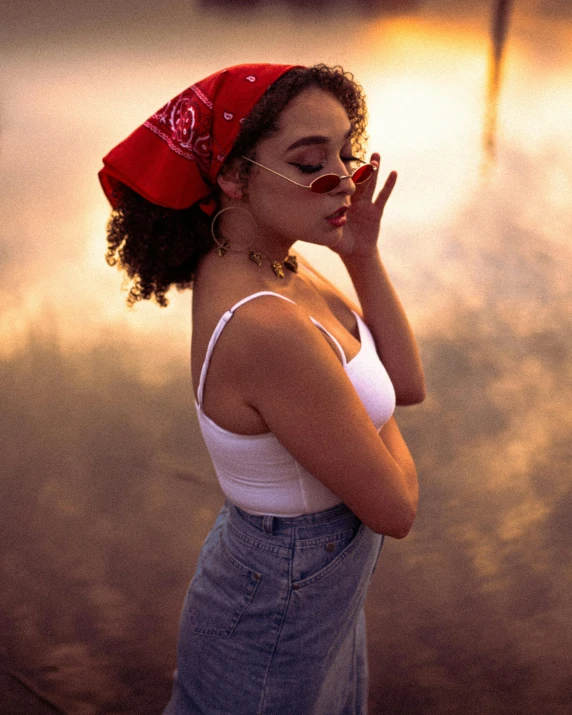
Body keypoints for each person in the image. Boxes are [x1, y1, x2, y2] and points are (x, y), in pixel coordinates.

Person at [99, 62, 425, 715]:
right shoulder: (266, 325)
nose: (343, 182)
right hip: (276, 605)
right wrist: (371, 425)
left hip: (310, 591)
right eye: (310, 164)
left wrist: (361, 253)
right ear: (233, 175)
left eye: (348, 155)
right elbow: (396, 508)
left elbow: (405, 385)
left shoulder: (277, 261)